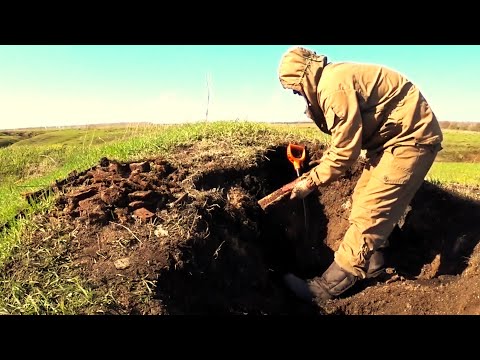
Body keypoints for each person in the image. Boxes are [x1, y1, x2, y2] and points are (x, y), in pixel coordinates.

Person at [278, 46, 443, 307]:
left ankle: (326, 288)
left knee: (372, 210)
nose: (298, 95)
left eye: (296, 89)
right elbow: (343, 139)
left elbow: (345, 151)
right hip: (389, 142)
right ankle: (374, 262)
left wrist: (310, 182)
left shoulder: (332, 87)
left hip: (411, 140)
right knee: (362, 195)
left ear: (302, 77)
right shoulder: (330, 80)